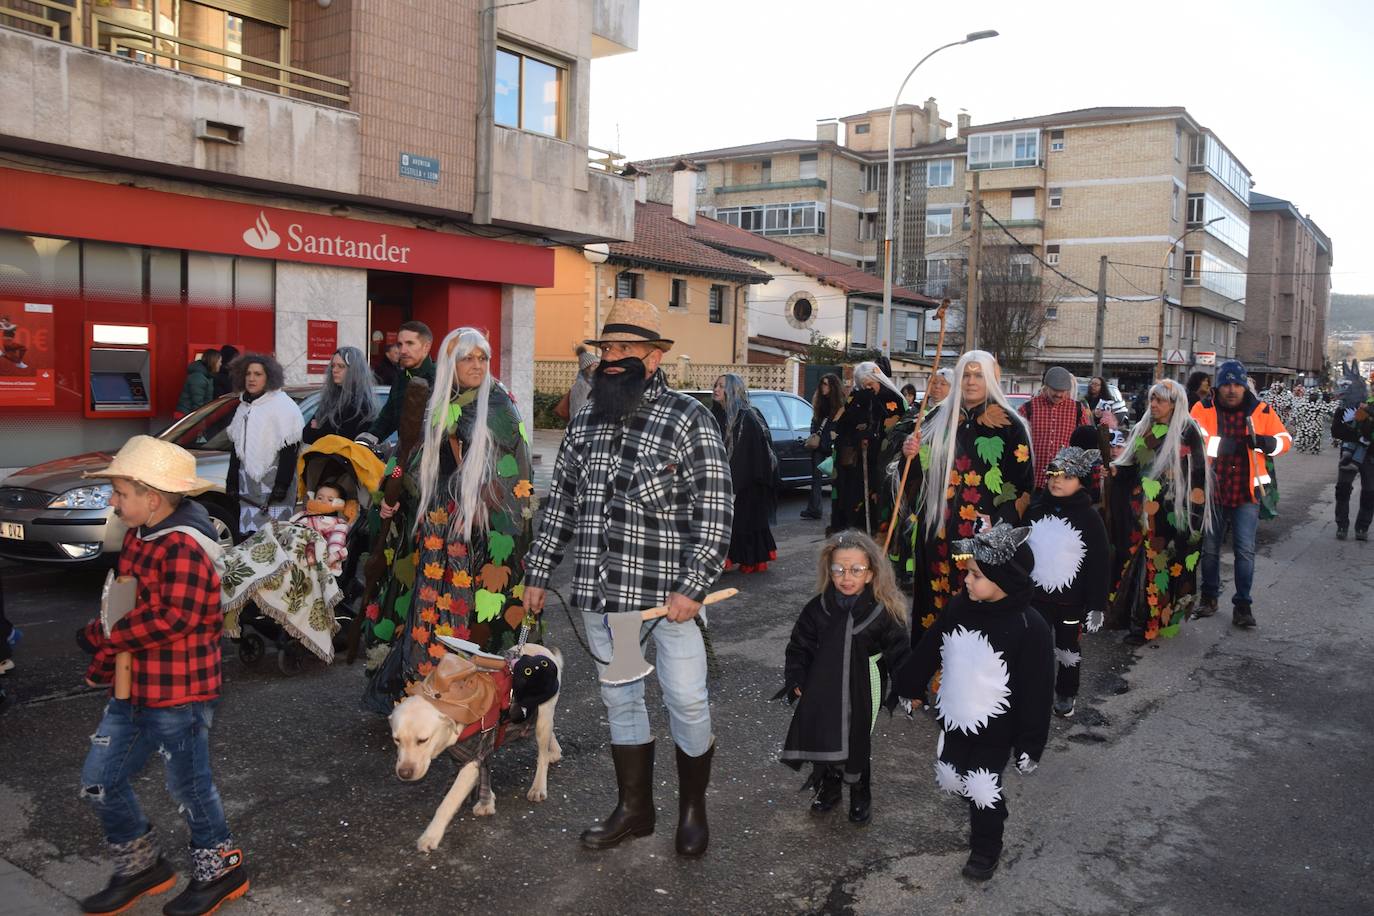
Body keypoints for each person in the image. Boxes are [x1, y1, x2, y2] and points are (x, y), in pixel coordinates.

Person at [522, 298, 732, 858]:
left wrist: (694, 586)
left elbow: (716, 511)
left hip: (670, 604)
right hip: (609, 603)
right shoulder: (586, 420)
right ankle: (636, 810)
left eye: (624, 350)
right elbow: (562, 501)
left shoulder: (690, 418)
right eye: (606, 349)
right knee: (624, 702)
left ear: (654, 357)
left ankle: (693, 811)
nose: (611, 359)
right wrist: (539, 569)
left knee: (687, 700)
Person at [74, 436, 249, 916]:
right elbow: (125, 606)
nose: (113, 501)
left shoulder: (183, 547)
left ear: (152, 497)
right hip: (134, 689)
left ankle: (222, 870)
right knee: (100, 780)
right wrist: (103, 663)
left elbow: (175, 617)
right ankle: (141, 867)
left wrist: (104, 636)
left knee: (189, 786)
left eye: (120, 492)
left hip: (180, 693)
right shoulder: (140, 535)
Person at [369, 327, 536, 708]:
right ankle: (425, 684)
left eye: (482, 358)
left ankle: (475, 693)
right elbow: (407, 457)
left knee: (468, 612)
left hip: (479, 536)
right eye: (468, 358)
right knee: (426, 608)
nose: (477, 365)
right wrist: (391, 496)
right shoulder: (433, 404)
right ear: (451, 363)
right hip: (434, 532)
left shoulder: (500, 406)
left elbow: (515, 475)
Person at [894, 522, 1053, 882]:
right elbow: (931, 647)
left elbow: (1038, 691)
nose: (966, 581)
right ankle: (990, 806)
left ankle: (985, 847)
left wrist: (1031, 743)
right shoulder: (959, 609)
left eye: (976, 575)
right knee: (951, 777)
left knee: (982, 786)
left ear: (1005, 580)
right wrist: (910, 686)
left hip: (998, 727)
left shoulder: (1031, 628)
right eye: (968, 573)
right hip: (956, 713)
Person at [779, 530, 911, 825]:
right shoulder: (818, 609)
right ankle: (830, 786)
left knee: (856, 737)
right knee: (825, 733)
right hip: (823, 684)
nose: (846, 577)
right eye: (838, 570)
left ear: (870, 573)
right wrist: (797, 677)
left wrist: (907, 685)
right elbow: (799, 646)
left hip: (865, 685)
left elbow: (900, 651)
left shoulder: (882, 611)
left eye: (855, 570)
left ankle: (861, 792)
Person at [899, 350, 1035, 632]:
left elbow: (1021, 487)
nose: (971, 382)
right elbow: (914, 480)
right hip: (938, 531)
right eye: (966, 375)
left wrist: (997, 528)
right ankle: (932, 668)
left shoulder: (1010, 426)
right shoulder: (938, 420)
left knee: (975, 609)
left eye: (978, 375)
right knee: (934, 608)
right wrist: (908, 455)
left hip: (982, 537)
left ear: (990, 380)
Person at [1191, 360, 1291, 628]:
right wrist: (1225, 444)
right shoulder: (1202, 409)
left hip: (1247, 493)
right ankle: (1209, 598)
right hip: (1214, 491)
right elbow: (1194, 441)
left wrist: (1269, 443)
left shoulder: (1261, 410)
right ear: (1218, 386)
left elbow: (1285, 440)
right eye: (1227, 384)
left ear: (1245, 384)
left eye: (1237, 384)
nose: (1232, 390)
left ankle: (1243, 605)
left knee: (1245, 551)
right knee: (1210, 550)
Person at [1109, 380, 1209, 642]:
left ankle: (1147, 625)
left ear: (1175, 404)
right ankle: (1134, 618)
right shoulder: (1145, 428)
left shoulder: (1188, 431)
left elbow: (1197, 479)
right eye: (1152, 399)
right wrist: (1117, 470)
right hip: (1138, 514)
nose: (1153, 405)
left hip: (1168, 517)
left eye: (1160, 400)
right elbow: (1134, 465)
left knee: (1158, 570)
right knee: (1136, 566)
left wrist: (1191, 520)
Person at [1026, 445, 1109, 718]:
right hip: (1035, 598)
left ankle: (1066, 691)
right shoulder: (1036, 510)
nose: (1057, 480)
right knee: (1033, 648)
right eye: (1052, 474)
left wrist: (1096, 605)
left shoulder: (1089, 518)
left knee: (1067, 649)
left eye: (1066, 476)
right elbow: (1021, 551)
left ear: (1080, 481)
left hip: (1070, 603)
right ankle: (1031, 690)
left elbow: (1099, 565)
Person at [226, 354, 303, 536]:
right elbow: (236, 447)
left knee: (275, 539)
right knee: (250, 539)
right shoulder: (243, 406)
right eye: (248, 374)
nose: (251, 378)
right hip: (248, 487)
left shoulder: (283, 405)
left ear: (269, 376)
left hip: (274, 485)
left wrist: (282, 485)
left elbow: (290, 449)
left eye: (258, 374)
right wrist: (231, 481)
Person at [712, 373, 777, 573]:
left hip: (747, 481)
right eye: (716, 385)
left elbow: (748, 454)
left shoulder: (746, 416)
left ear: (732, 390)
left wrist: (733, 482)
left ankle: (750, 558)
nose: (716, 389)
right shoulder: (717, 415)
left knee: (744, 522)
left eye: (721, 386)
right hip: (728, 478)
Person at [831, 361, 905, 536]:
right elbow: (841, 423)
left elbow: (897, 428)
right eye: (863, 385)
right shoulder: (855, 398)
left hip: (883, 463)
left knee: (879, 502)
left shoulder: (894, 399)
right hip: (856, 464)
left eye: (871, 384)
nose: (868, 388)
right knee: (853, 502)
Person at [359, 321, 436, 448]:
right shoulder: (400, 379)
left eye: (410, 343)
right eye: (400, 344)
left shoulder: (441, 377)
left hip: (437, 459)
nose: (403, 350)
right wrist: (365, 442)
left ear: (426, 347)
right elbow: (387, 417)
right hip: (406, 458)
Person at [1018, 366, 1093, 490]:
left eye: (1062, 391)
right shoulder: (1028, 408)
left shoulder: (1078, 409)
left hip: (1065, 484)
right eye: (1054, 390)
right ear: (1046, 386)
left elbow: (1087, 444)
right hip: (1035, 482)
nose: (1058, 394)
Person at [304, 346, 378, 444]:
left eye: (341, 366)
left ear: (354, 371)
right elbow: (307, 435)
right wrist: (327, 429)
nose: (334, 370)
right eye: (333, 366)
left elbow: (341, 441)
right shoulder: (330, 398)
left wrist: (320, 427)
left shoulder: (360, 405)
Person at [1332, 372, 1374, 540]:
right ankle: (1342, 525)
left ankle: (1362, 528)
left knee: (1370, 492)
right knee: (1343, 489)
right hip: (1348, 454)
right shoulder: (1344, 407)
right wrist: (1358, 435)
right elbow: (1336, 430)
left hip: (1371, 456)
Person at [802, 373, 843, 521]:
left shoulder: (840, 406)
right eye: (822, 384)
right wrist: (814, 435)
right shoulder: (819, 403)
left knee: (836, 480)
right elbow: (814, 421)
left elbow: (837, 427)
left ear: (833, 387)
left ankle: (839, 510)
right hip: (819, 446)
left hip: (832, 447)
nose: (823, 387)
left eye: (826, 384)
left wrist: (828, 441)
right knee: (816, 478)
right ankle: (814, 509)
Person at [288, 482, 350, 576]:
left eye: (330, 499)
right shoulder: (303, 514)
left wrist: (329, 561)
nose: (323, 501)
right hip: (289, 547)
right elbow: (288, 526)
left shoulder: (338, 523)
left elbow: (335, 544)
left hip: (311, 558)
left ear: (339, 503)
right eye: (319, 498)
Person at [174, 350, 222, 419]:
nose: (220, 364)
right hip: (185, 417)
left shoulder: (207, 375)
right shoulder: (198, 377)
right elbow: (198, 405)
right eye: (219, 361)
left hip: (191, 415)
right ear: (213, 362)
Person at [569, 344, 599, 418]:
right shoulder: (580, 385)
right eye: (594, 366)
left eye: (598, 365)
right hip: (582, 424)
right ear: (586, 369)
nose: (597, 369)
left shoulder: (594, 383)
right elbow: (577, 410)